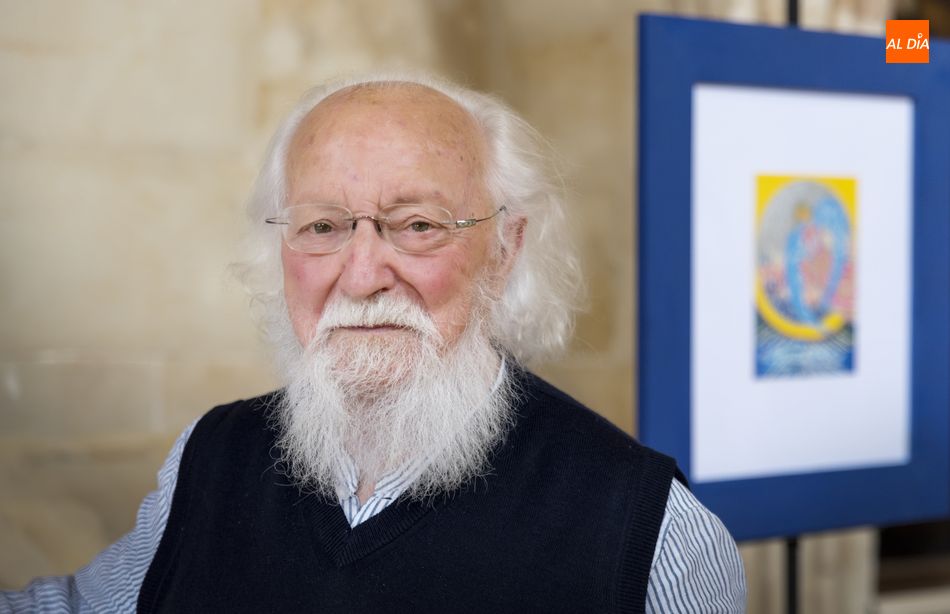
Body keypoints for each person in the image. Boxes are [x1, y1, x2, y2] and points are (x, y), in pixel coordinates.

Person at [1, 72, 746, 613]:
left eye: (417, 225)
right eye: (322, 226)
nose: (361, 276)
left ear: (505, 248)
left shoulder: (651, 536)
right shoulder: (209, 458)